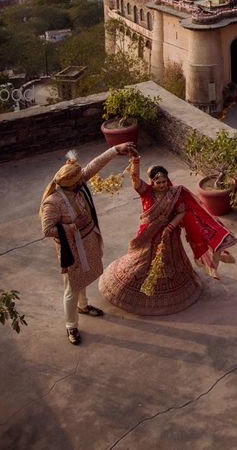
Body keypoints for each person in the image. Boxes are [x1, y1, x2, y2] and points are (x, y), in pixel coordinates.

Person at [98, 159, 237, 315]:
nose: (162, 185)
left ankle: (172, 291)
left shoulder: (174, 193)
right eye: (158, 182)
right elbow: (135, 180)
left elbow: (182, 212)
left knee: (170, 263)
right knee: (142, 261)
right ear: (151, 182)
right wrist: (135, 160)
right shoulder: (146, 192)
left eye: (164, 181)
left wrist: (170, 226)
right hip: (149, 235)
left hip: (169, 236)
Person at [40, 144, 137, 345]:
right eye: (79, 178)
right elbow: (47, 229)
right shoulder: (53, 202)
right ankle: (71, 326)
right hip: (72, 248)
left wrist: (115, 149)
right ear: (71, 184)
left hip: (88, 240)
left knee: (82, 279)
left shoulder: (76, 184)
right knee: (71, 288)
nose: (83, 178)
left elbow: (94, 166)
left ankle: (83, 307)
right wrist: (73, 226)